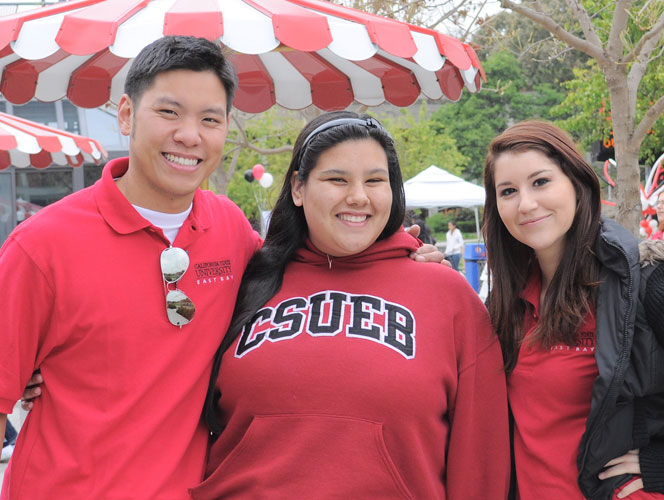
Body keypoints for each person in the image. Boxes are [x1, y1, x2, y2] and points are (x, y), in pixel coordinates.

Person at [0, 37, 444, 499]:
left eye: (209, 119)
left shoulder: (229, 228)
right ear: (127, 114)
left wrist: (399, 253)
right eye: (169, 113)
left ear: (227, 127)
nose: (190, 136)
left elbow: (309, 259)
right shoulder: (41, 246)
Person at [190, 111, 510, 499]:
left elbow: (481, 454)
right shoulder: (245, 281)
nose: (358, 196)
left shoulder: (447, 294)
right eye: (336, 179)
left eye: (375, 180)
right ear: (297, 187)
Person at [482, 120, 664, 500]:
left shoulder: (646, 283)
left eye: (540, 182)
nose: (526, 203)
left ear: (577, 183)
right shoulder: (507, 302)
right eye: (508, 191)